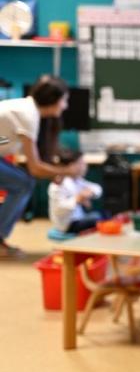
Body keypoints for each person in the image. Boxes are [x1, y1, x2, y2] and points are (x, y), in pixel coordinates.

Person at [0, 75, 80, 258]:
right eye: (64, 100)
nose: (65, 106)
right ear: (54, 100)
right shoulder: (28, 115)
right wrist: (68, 171)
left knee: (22, 182)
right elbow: (35, 168)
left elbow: (33, 162)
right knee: (23, 183)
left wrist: (55, 172)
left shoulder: (29, 111)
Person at [48, 149, 105, 234]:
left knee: (104, 214)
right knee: (97, 218)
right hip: (67, 225)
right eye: (82, 163)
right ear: (72, 166)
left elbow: (97, 188)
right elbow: (59, 209)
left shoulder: (77, 180)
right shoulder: (58, 185)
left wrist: (90, 193)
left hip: (78, 219)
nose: (85, 166)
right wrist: (77, 199)